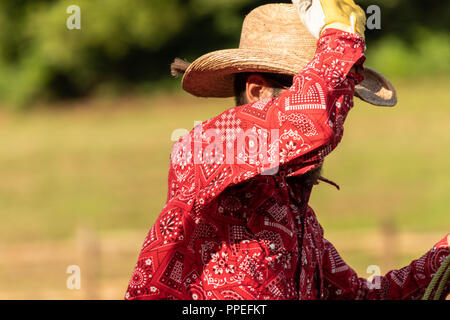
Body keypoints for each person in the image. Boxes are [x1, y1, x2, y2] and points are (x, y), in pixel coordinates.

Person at [125, 0, 450, 300]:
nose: (338, 111)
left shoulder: (301, 223)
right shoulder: (206, 146)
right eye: (318, 88)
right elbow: (310, 124)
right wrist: (342, 37)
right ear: (257, 92)